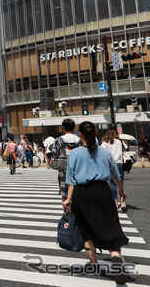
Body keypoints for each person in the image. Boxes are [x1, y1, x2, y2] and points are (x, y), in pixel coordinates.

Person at [64, 121, 129, 285]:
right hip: (103, 192)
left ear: (80, 135)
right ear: (95, 134)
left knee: (86, 231)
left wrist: (68, 199)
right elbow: (115, 175)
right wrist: (121, 190)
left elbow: (71, 180)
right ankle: (116, 257)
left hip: (82, 194)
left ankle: (94, 265)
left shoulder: (75, 154)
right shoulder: (104, 153)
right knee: (111, 227)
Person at [51, 118, 81, 202]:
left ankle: (68, 212)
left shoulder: (59, 140)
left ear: (63, 127)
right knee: (76, 189)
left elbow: (54, 154)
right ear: (73, 127)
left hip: (63, 167)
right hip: (77, 166)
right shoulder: (79, 139)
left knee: (64, 191)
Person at [100, 129, 127, 212]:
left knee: (112, 183)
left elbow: (101, 153)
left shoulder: (105, 142)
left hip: (109, 164)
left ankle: (115, 201)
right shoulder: (119, 142)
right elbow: (122, 152)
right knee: (120, 182)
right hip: (118, 163)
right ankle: (122, 200)